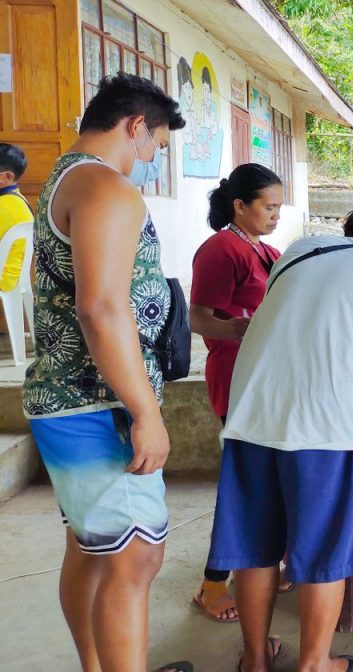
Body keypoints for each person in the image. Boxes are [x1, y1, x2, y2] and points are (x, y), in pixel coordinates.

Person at [207, 206, 353, 672]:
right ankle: (315, 663)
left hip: (252, 414)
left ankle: (255, 660)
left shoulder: (297, 252)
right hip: (326, 427)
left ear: (347, 235)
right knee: (326, 549)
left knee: (255, 547)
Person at [22, 73, 192, 672]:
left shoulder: (65, 178)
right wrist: (145, 413)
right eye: (157, 146)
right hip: (99, 405)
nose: (151, 160)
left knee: (94, 550)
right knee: (135, 557)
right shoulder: (104, 187)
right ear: (136, 126)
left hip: (70, 398)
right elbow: (101, 308)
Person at [190, 163, 284, 622]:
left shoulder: (266, 250)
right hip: (237, 376)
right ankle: (212, 584)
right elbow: (198, 317)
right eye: (268, 207)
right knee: (244, 484)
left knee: (269, 481)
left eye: (279, 208)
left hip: (267, 376)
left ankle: (266, 563)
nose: (276, 215)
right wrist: (240, 329)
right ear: (240, 206)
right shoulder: (221, 249)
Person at [0, 143, 33, 293]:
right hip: (14, 277)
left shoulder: (4, 206)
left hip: (4, 279)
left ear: (7, 176)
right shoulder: (17, 199)